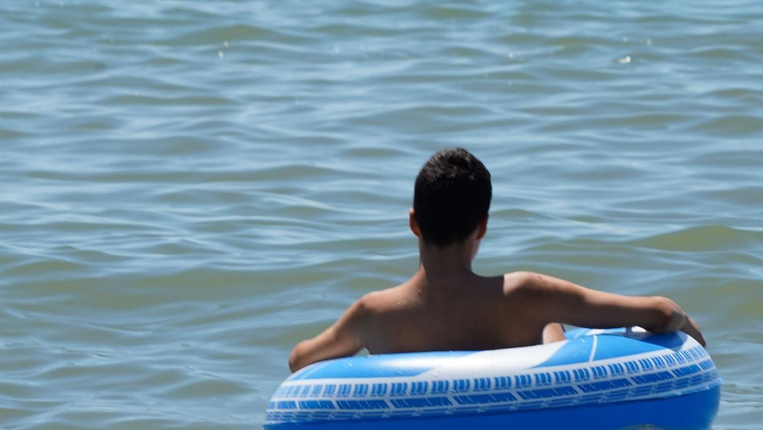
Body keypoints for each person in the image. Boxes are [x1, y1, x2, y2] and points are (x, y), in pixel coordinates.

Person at [287, 148, 705, 372]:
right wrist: (687, 333)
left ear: (414, 223)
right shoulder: (526, 295)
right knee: (549, 323)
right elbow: (661, 312)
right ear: (482, 227)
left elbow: (300, 360)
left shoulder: (374, 313)